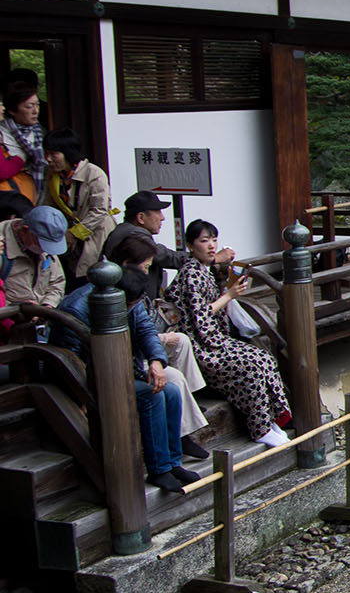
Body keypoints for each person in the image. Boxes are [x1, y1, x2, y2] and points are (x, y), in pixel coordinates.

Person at [53, 244, 203, 491]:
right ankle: (159, 469)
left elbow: (146, 331)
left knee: (172, 390)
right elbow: (69, 358)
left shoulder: (131, 299)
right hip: (94, 377)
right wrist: (79, 395)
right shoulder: (77, 308)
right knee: (151, 395)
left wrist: (156, 361)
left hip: (124, 370)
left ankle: (174, 462)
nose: (133, 308)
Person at [168, 219, 292, 447]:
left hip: (215, 341)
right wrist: (229, 295)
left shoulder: (204, 270)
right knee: (250, 366)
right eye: (204, 241)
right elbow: (200, 316)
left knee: (264, 358)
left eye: (214, 240)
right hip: (201, 347)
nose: (211, 245)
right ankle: (261, 428)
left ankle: (272, 419)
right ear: (190, 246)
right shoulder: (191, 273)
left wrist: (228, 289)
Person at [42, 129, 114, 286]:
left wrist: (74, 234)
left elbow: (99, 211)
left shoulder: (94, 173)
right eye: (46, 153)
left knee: (94, 278)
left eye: (53, 154)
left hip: (96, 233)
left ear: (68, 153)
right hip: (68, 237)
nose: (48, 159)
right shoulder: (52, 175)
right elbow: (49, 206)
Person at [1, 204, 67, 310]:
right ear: (24, 230)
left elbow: (57, 281)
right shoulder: (2, 246)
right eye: (42, 244)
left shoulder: (46, 243)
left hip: (40, 313)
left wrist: (48, 304)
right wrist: (17, 308)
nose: (45, 249)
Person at [0, 82, 44, 202]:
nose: (35, 111)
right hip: (8, 196)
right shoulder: (2, 134)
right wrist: (20, 159)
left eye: (37, 105)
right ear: (12, 110)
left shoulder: (40, 133)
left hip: (33, 194)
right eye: (29, 106)